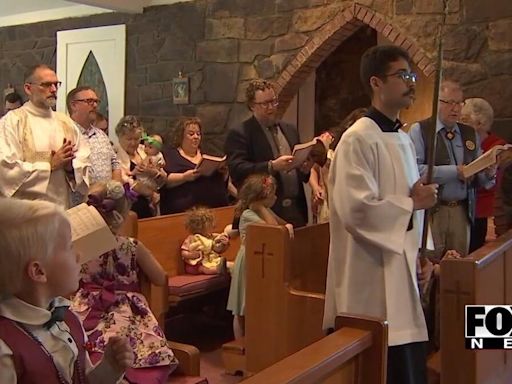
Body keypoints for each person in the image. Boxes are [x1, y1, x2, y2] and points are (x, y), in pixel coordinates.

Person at [323, 45, 439, 384]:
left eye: (411, 75)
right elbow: (355, 210)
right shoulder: (358, 139)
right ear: (376, 82)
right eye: (402, 75)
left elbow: (412, 198)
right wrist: (412, 205)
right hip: (370, 272)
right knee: (382, 365)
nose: (411, 82)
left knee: (408, 357)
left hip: (403, 265)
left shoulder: (401, 139)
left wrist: (421, 253)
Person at [0, 197, 132, 383]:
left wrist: (109, 368)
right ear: (39, 271)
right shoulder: (6, 348)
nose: (79, 254)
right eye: (70, 246)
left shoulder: (67, 317)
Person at [71, 181, 179, 383]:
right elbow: (159, 277)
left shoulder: (79, 247)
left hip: (86, 308)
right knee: (134, 341)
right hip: (123, 307)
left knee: (84, 340)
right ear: (123, 214)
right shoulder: (131, 246)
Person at [408, 80, 496, 258]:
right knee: (431, 264)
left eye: (459, 103)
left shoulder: (469, 133)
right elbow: (415, 171)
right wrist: (455, 172)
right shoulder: (421, 130)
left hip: (462, 212)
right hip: (433, 211)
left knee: (459, 269)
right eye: (449, 102)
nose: (455, 108)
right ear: (437, 102)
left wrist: (489, 171)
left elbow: (480, 178)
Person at [224, 79, 313, 228]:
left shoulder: (289, 129)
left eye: (273, 101)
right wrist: (271, 166)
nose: (271, 107)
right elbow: (237, 169)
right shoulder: (241, 133)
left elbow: (300, 173)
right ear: (252, 106)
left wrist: (304, 169)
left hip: (296, 208)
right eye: (265, 104)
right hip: (264, 211)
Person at [0, 64, 90, 208]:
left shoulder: (66, 122)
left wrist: (70, 168)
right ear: (28, 88)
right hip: (26, 214)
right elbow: (6, 168)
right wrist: (50, 165)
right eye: (47, 85)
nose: (54, 90)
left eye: (56, 85)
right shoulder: (12, 121)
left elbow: (83, 160)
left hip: (61, 208)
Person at [227, 174, 294, 339]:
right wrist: (260, 208)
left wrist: (286, 225)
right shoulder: (248, 214)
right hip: (248, 261)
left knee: (255, 304)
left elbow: (281, 224)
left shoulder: (265, 210)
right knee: (242, 307)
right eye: (272, 194)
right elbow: (273, 231)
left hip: (260, 260)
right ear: (260, 197)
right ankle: (241, 344)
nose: (276, 197)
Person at [460, 98, 506, 252]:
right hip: (463, 207)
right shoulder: (460, 142)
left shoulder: (497, 147)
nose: (460, 124)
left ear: (480, 123)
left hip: (485, 210)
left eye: (464, 120)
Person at [160, 117, 229, 215]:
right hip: (183, 209)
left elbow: (222, 181)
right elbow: (165, 181)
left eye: (198, 134)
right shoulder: (170, 155)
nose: (196, 137)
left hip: (213, 207)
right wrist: (184, 177)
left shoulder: (208, 153)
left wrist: (224, 172)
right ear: (181, 136)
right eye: (191, 134)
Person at [67, 86, 121, 185]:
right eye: (89, 101)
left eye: (96, 101)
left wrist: (114, 189)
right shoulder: (65, 132)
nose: (95, 105)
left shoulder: (101, 135)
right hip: (78, 198)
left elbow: (115, 164)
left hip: (106, 197)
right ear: (74, 105)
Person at [115, 115, 163, 219]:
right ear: (119, 137)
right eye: (129, 139)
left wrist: (156, 173)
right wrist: (151, 193)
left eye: (136, 139)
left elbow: (163, 177)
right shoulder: (114, 155)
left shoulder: (145, 150)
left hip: (151, 209)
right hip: (129, 210)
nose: (133, 143)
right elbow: (126, 181)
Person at [181, 206, 231, 275]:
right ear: (200, 227)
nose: (212, 227)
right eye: (209, 226)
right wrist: (192, 255)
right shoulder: (192, 238)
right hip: (196, 265)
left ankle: (229, 267)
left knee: (229, 264)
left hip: (210, 261)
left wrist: (224, 243)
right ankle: (218, 269)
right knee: (204, 269)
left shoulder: (211, 236)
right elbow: (183, 252)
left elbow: (217, 248)